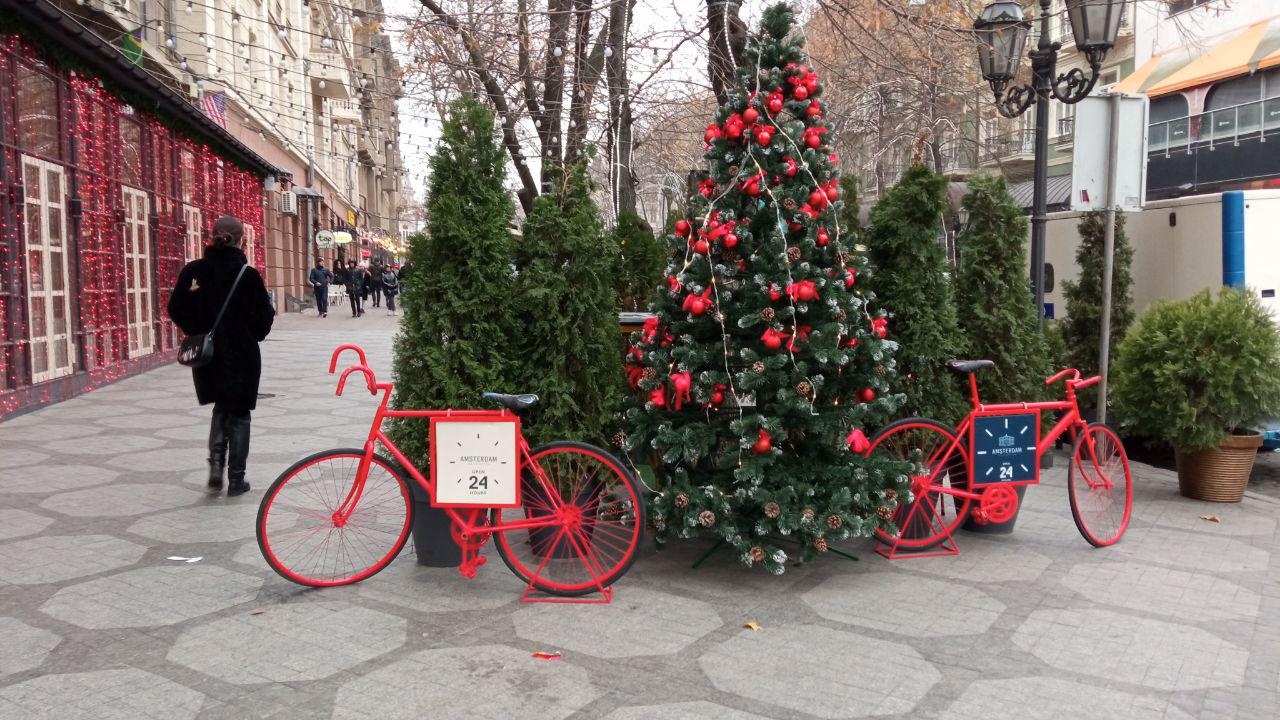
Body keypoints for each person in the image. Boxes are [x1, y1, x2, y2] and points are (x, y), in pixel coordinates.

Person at [168, 215, 274, 497]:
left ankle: (216, 466)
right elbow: (264, 318)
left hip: (209, 354)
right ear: (240, 240)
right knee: (239, 412)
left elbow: (175, 308)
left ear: (213, 236)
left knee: (220, 407)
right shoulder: (247, 276)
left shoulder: (194, 271)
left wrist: (198, 330)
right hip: (242, 355)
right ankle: (236, 480)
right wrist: (249, 333)